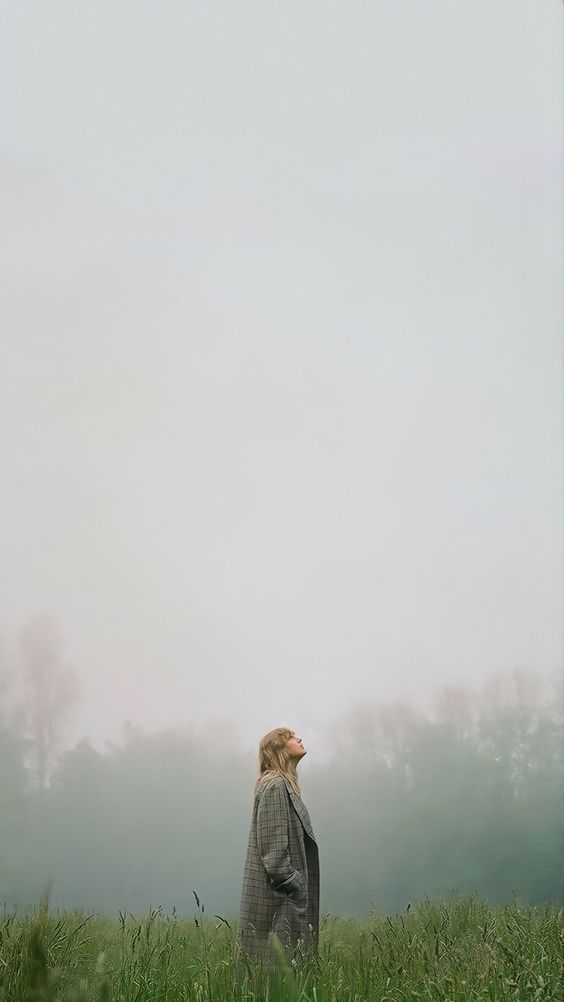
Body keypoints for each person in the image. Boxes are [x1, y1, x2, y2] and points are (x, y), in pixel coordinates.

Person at [236, 727, 320, 969]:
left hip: (285, 899)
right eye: (292, 737)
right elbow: (274, 856)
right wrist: (296, 884)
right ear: (279, 749)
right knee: (277, 976)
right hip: (279, 901)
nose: (300, 738)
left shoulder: (283, 785)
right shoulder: (275, 786)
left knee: (283, 976)